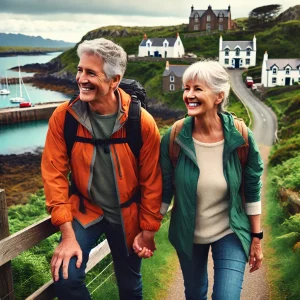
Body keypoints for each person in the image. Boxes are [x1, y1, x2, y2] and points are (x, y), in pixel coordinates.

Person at [41, 38, 163, 300]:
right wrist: (67, 234)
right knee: (66, 277)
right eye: (80, 70)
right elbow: (54, 177)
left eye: (91, 73)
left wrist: (149, 229)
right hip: (86, 210)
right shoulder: (64, 118)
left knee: (130, 286)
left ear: (114, 80)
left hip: (127, 213)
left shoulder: (141, 122)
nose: (80, 79)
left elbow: (153, 181)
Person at [160, 61, 264, 300]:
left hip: (230, 230)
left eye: (198, 89)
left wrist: (256, 239)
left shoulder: (241, 136)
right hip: (188, 233)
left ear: (218, 96)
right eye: (187, 88)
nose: (189, 95)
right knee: (195, 294)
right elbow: (164, 190)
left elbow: (252, 188)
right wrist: (148, 230)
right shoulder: (174, 137)